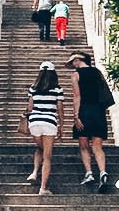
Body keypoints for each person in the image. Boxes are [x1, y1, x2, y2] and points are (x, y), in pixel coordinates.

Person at [69, 51, 114, 190]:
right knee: (97, 146)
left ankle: (89, 173)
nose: (73, 65)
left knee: (83, 145)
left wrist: (76, 116)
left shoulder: (76, 75)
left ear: (77, 60)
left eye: (73, 62)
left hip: (84, 111)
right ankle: (102, 171)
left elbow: (77, 96)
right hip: (98, 111)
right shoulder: (97, 72)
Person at [24, 60, 65, 195]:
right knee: (47, 156)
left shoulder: (33, 89)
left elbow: (30, 108)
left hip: (34, 122)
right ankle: (43, 188)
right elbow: (59, 109)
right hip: (49, 122)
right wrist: (61, 127)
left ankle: (35, 172)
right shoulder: (57, 89)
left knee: (39, 148)